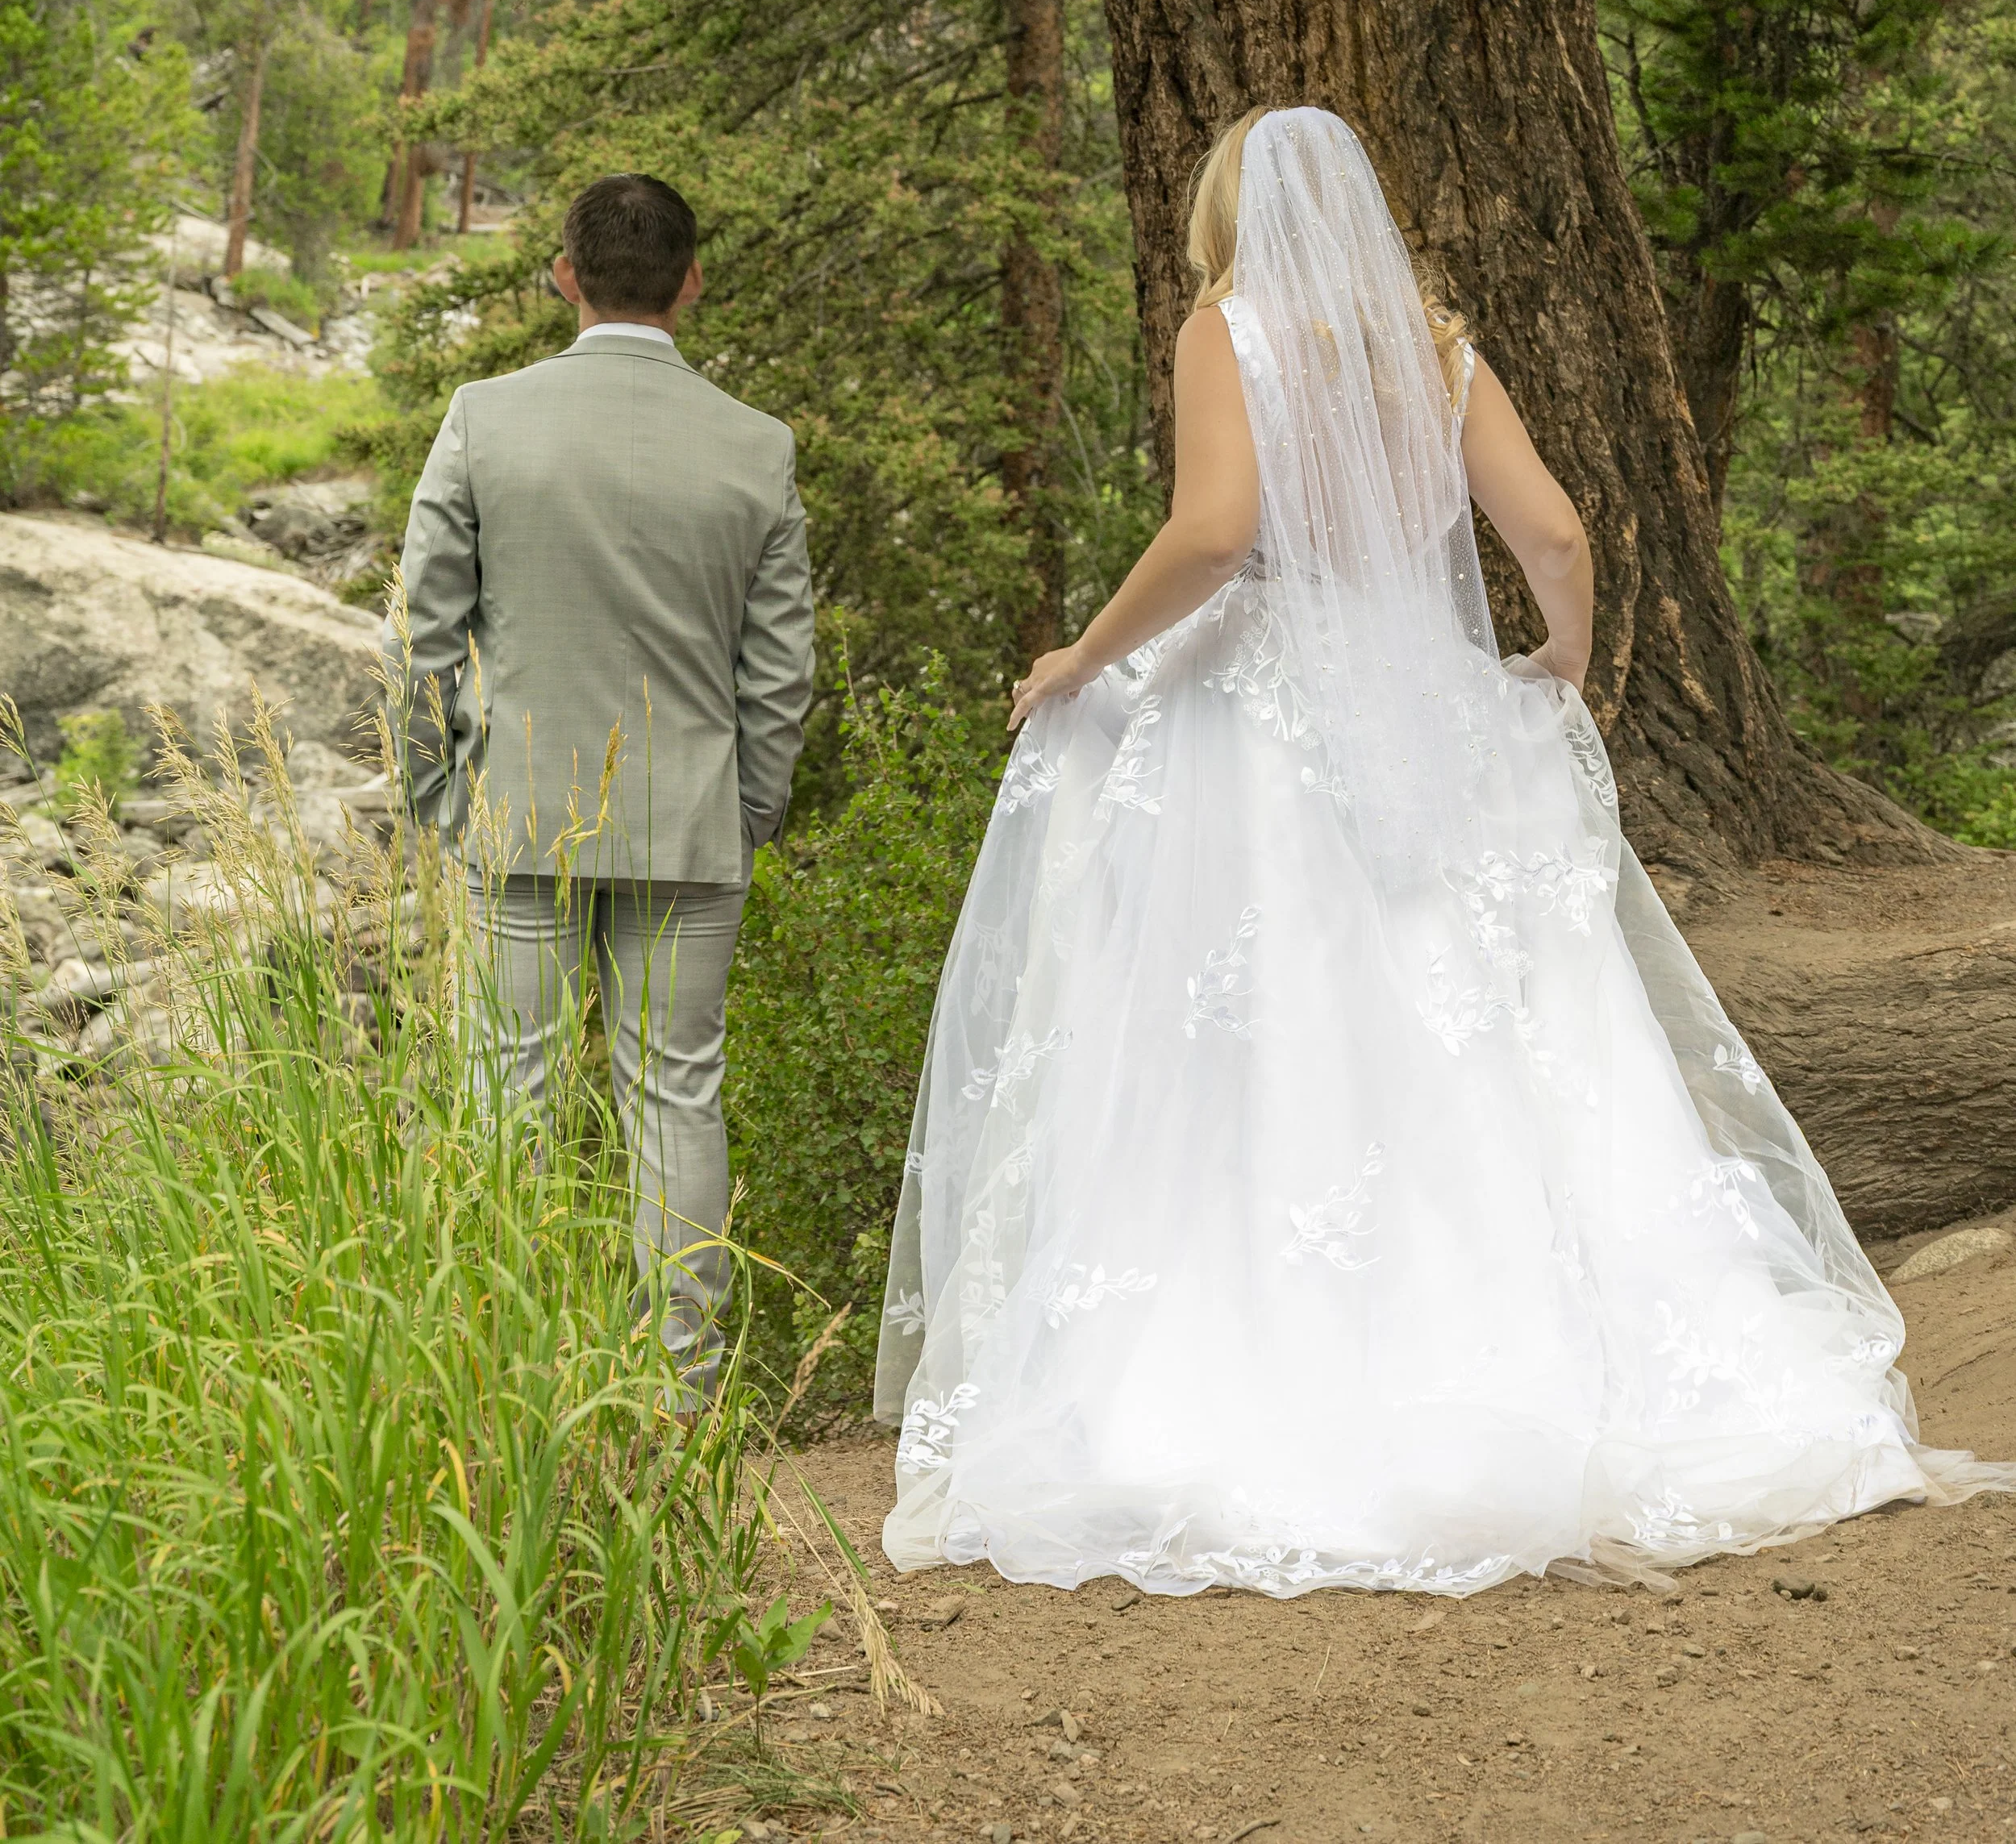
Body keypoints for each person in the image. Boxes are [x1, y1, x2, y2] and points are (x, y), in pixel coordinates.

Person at [877, 106, 2014, 1595]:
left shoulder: (1229, 336)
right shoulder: (1439, 352)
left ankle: (1284, 1370)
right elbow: (1555, 532)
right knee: (1492, 1027)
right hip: (1435, 714)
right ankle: (1556, 1358)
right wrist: (1555, 666)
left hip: (1266, 731)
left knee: (1267, 1033)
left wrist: (1085, 656)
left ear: (1234, 218)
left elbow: (1217, 534)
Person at [389, 172, 814, 1389]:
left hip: (519, 810)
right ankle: (681, 1383)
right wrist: (743, 809)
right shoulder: (757, 445)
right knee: (677, 1093)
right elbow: (780, 669)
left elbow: (421, 636)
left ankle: (503, 1366)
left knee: (506, 1089)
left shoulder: (485, 417)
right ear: (690, 284)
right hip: (691, 821)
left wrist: (439, 792)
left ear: (564, 277)